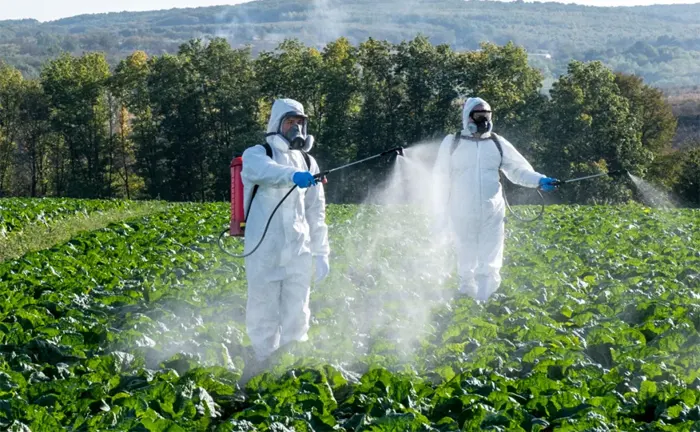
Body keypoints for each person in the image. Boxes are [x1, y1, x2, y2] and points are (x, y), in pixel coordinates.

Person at [432, 97, 557, 301]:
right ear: (468, 117)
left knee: (490, 257)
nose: (484, 120)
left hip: (492, 210)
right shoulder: (453, 142)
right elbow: (439, 176)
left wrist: (539, 180)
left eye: (487, 116)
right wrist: (439, 210)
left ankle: (485, 299)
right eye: (479, 115)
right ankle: (466, 299)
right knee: (466, 255)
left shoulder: (497, 143)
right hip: (461, 210)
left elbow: (518, 170)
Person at [240, 98, 330, 367]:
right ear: (277, 124)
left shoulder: (307, 161)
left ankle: (292, 365)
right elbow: (265, 172)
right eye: (290, 122)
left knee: (298, 312)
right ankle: (262, 363)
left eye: (300, 123)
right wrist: (292, 176)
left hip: (298, 250)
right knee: (263, 311)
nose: (296, 129)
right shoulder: (258, 153)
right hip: (264, 250)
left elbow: (316, 211)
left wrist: (321, 252)